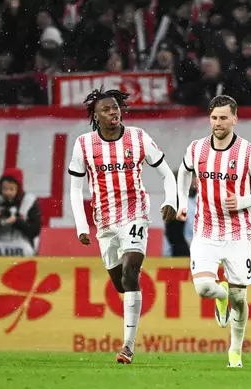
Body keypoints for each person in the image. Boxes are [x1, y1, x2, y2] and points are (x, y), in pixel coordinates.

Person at [68, 88, 177, 365]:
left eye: (115, 107)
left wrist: (171, 200)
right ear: (95, 115)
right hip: (104, 221)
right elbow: (75, 188)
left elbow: (166, 172)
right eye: (106, 109)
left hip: (135, 213)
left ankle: (127, 346)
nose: (113, 112)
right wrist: (82, 226)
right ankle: (132, 298)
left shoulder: (138, 137)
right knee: (121, 284)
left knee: (131, 271)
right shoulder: (83, 144)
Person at [176, 95, 251, 368]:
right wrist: (182, 202)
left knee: (240, 298)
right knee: (205, 288)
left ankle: (235, 352)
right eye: (213, 118)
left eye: (223, 118)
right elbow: (184, 173)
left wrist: (242, 202)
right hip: (205, 230)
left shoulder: (248, 152)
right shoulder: (196, 149)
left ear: (235, 118)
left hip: (238, 233)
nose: (217, 123)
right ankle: (220, 297)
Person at [0, 167, 41, 257]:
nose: (7, 193)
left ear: (18, 189)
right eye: (4, 189)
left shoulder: (29, 201)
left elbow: (35, 230)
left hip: (22, 249)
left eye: (12, 189)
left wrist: (17, 221)